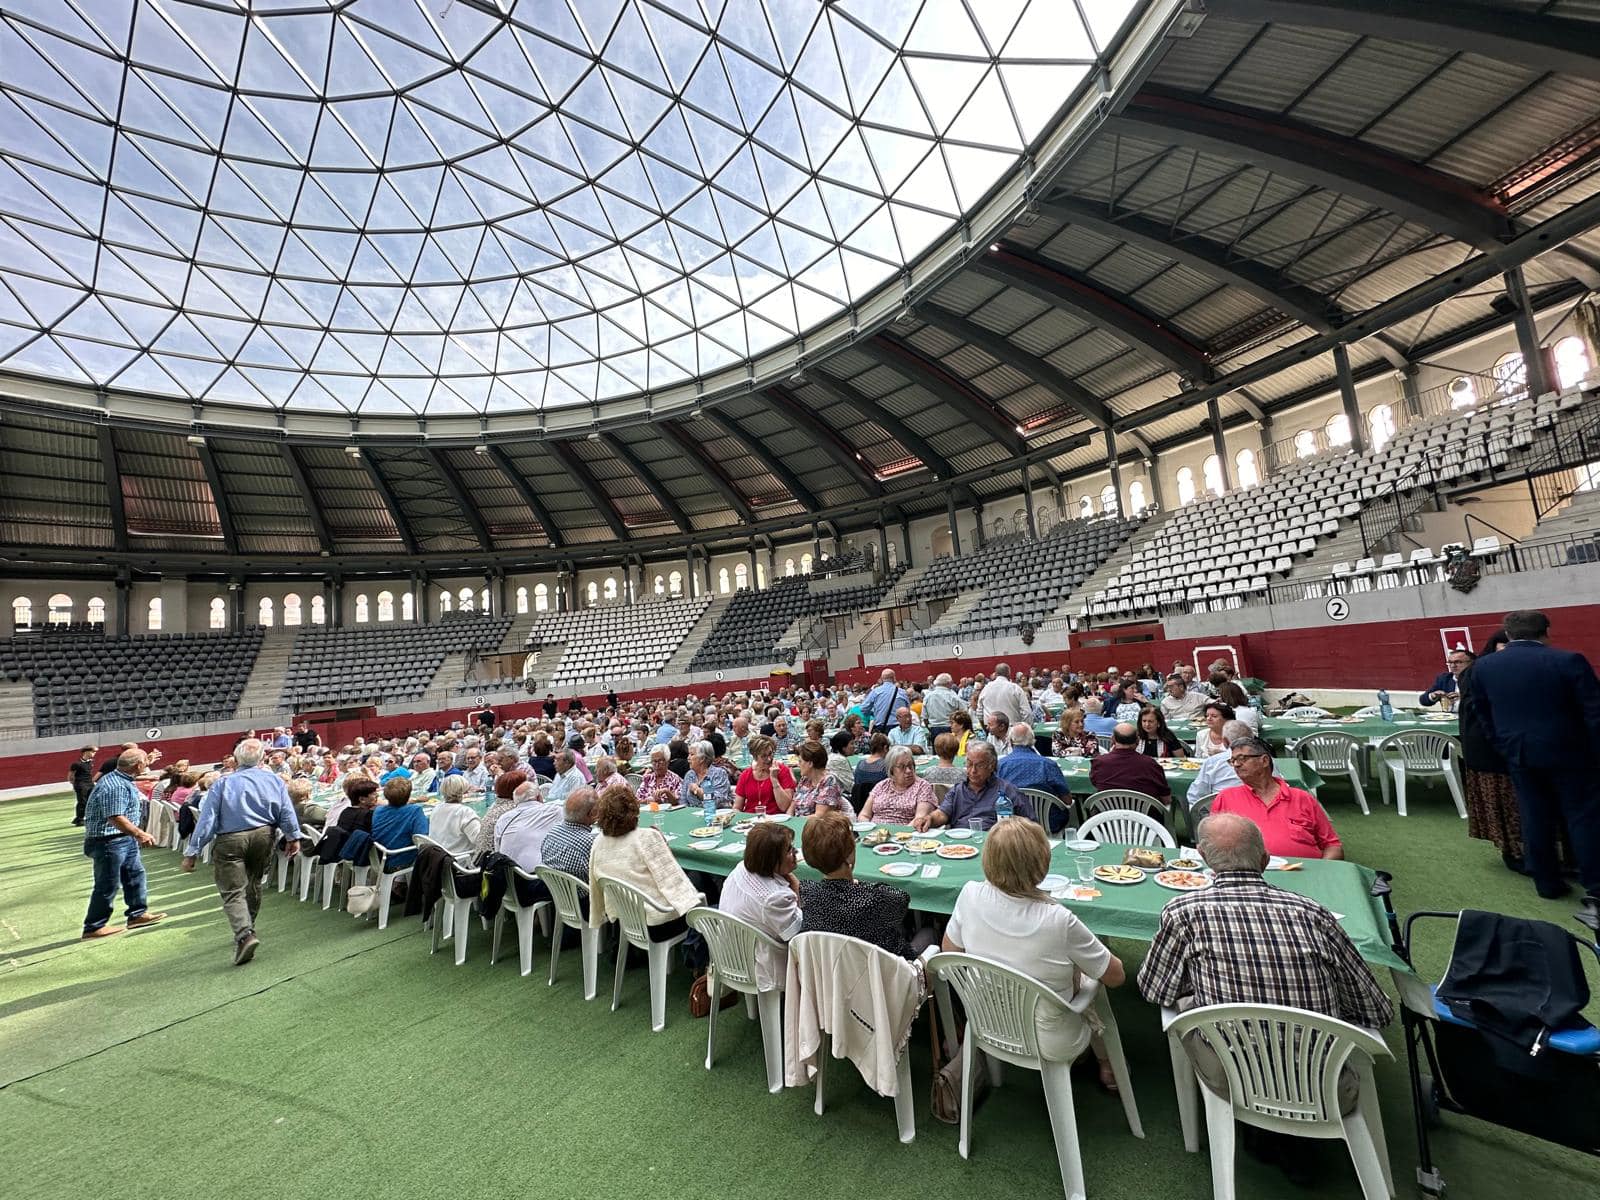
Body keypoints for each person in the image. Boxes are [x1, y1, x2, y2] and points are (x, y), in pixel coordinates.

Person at [1138, 814, 1391, 1157]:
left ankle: (1266, 1130)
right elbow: (1375, 1009)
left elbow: (1155, 991)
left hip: (1233, 1077)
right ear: (1266, 859)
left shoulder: (1183, 910)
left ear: (1202, 857)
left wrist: (1195, 988)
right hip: (1324, 1080)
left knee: (1187, 1013)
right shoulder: (1312, 913)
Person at [943, 817, 1125, 1089]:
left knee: (1078, 970)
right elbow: (1116, 976)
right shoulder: (1059, 920)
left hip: (986, 1022)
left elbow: (950, 951)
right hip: (1050, 1038)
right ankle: (1108, 1064)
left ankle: (1102, 1062)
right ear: (1042, 864)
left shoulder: (969, 894)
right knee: (1092, 979)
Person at [1468, 609, 1600, 913]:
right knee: (1582, 818)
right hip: (1571, 753)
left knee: (1534, 816)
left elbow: (1482, 712)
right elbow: (1594, 712)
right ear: (1546, 632)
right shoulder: (1568, 661)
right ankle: (1595, 884)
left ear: (1508, 634)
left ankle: (1546, 881)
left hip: (1519, 754)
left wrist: (1503, 744)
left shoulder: (1485, 667)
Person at [182, 738, 299, 964]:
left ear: (236, 759)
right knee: (254, 882)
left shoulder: (223, 784)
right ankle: (248, 926)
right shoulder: (274, 780)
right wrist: (293, 836)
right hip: (264, 835)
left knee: (233, 890)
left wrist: (192, 851)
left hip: (231, 839)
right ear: (263, 757)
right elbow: (286, 811)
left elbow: (207, 820)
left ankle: (244, 933)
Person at [588, 784, 702, 942]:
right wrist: (664, 847)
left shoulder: (598, 842)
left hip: (624, 919)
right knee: (700, 880)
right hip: (658, 922)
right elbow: (674, 881)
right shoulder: (647, 838)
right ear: (634, 810)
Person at [799, 809, 917, 958]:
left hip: (830, 975)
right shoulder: (877, 898)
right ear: (849, 855)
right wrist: (857, 883)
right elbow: (902, 901)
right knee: (928, 933)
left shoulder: (806, 892)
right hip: (883, 975)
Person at [80, 747, 166, 940]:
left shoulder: (118, 778)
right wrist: (139, 833)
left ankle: (137, 914)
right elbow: (115, 817)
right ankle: (94, 926)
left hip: (120, 839)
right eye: (144, 762)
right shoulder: (116, 785)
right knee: (107, 884)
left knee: (134, 874)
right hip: (109, 841)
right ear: (138, 765)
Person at [1213, 736, 1341, 859]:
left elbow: (1332, 846)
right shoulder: (1226, 798)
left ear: (1264, 760)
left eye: (1242, 758)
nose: (1236, 764)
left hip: (1304, 874)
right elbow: (1211, 844)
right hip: (1248, 875)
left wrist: (1321, 870)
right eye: (1233, 760)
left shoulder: (1302, 798)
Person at [719, 821, 804, 990]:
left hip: (728, 952)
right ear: (771, 860)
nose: (795, 852)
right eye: (788, 850)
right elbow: (799, 934)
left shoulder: (743, 867)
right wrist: (796, 888)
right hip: (761, 965)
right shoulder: (774, 897)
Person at [913, 741, 1034, 831]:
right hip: (959, 844)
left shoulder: (1007, 790)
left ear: (991, 766)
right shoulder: (957, 790)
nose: (973, 771)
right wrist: (929, 819)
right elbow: (941, 814)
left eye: (979, 765)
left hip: (994, 844)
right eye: (969, 764)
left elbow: (1031, 823)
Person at [1087, 723, 1172, 802]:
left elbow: (1095, 784)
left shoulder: (1098, 763)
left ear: (1112, 739)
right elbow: (1166, 798)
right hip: (1144, 816)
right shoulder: (1150, 764)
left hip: (1107, 816)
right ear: (1138, 740)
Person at [996, 723, 1071, 809]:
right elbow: (1067, 800)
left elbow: (995, 795)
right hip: (1048, 819)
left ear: (1011, 741)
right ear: (1032, 739)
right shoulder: (1047, 764)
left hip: (1014, 818)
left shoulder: (1001, 765)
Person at [861, 745, 936, 824]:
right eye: (902, 767)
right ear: (891, 770)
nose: (908, 771)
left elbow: (919, 819)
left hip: (904, 833)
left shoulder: (923, 787)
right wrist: (870, 828)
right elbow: (864, 815)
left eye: (910, 765)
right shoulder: (881, 786)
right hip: (876, 833)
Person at [1187, 719, 1254, 803]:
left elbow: (1195, 796)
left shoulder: (1213, 762)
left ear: (1225, 741)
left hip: (1222, 809)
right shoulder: (1267, 760)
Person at [369, 777, 429, 871]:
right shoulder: (414, 811)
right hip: (399, 860)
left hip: (379, 858)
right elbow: (422, 838)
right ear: (409, 795)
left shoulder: (378, 810)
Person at [542, 787, 599, 881]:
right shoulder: (590, 842)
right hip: (580, 894)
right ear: (592, 813)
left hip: (554, 890)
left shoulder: (552, 832)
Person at [735, 734, 796, 815]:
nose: (769, 759)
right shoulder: (746, 775)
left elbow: (784, 807)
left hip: (774, 820)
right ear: (755, 757)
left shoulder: (783, 771)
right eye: (764, 756)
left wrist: (774, 780)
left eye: (770, 753)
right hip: (750, 819)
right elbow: (737, 807)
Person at [791, 740, 854, 818]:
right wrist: (788, 818)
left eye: (800, 761)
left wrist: (795, 820)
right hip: (800, 823)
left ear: (810, 763)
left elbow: (820, 816)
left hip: (817, 827)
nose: (798, 764)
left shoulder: (829, 782)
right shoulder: (805, 779)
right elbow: (793, 805)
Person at [427, 774, 481, 859]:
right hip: (459, 862)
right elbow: (480, 840)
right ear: (463, 792)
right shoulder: (465, 812)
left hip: (438, 858)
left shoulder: (436, 809)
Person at [679, 740, 732, 810]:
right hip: (693, 815)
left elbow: (717, 801)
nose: (688, 758)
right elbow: (683, 801)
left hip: (717, 815)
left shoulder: (719, 774)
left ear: (702, 759)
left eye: (692, 755)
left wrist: (698, 791)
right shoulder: (689, 775)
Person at [849, 731, 890, 811]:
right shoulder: (886, 766)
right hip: (881, 806)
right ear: (885, 748)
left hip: (859, 806)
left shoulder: (860, 764)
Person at [980, 662, 1030, 728]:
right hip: (1013, 729)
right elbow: (1027, 713)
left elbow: (979, 713)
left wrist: (986, 730)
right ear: (1009, 673)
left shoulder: (985, 689)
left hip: (992, 730)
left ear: (996, 674)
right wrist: (1026, 728)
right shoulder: (1015, 688)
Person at [921, 673, 962, 740]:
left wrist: (930, 728)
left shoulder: (928, 696)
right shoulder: (953, 695)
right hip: (951, 728)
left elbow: (925, 717)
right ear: (948, 683)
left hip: (934, 728)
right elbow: (963, 712)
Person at [70, 745, 96, 826]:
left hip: (90, 784)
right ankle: (79, 819)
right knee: (82, 802)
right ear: (86, 752)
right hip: (81, 785)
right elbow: (71, 776)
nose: (94, 753)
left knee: (92, 801)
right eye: (92, 751)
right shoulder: (76, 764)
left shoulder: (90, 762)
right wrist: (76, 785)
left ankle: (88, 817)